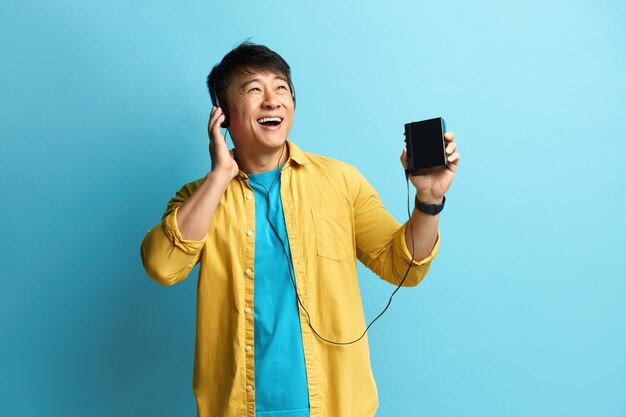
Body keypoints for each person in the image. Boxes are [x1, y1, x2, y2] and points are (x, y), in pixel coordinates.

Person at [140, 41, 460, 417]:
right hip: (238, 408)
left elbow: (403, 266)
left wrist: (428, 200)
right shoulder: (199, 197)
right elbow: (162, 266)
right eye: (253, 90)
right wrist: (220, 175)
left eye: (281, 88)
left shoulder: (341, 180)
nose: (272, 100)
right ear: (222, 115)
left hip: (334, 405)